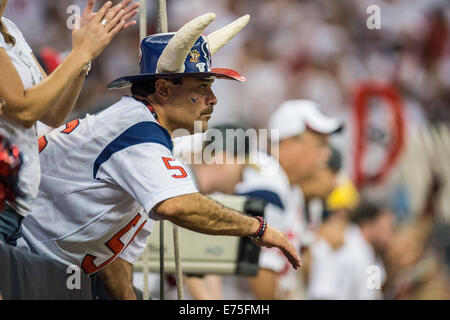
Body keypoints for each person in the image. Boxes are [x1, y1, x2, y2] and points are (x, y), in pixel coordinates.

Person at [19, 13, 300, 300]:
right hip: (18, 253)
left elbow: (113, 259)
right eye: (202, 86)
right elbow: (178, 206)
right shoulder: (138, 132)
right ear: (163, 89)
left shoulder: (145, 137)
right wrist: (258, 228)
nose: (213, 99)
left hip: (41, 262)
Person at [0, 0, 140, 245]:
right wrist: (81, 53)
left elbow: (52, 113)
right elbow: (23, 111)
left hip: (16, 204)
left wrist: (84, 59)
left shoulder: (10, 29)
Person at [183, 100, 343, 300]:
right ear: (289, 143)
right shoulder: (266, 183)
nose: (326, 153)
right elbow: (261, 270)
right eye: (319, 144)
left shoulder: (288, 186)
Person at [307, 200, 395, 300]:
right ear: (368, 224)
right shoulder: (344, 243)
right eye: (388, 225)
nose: (390, 232)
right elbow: (324, 293)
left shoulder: (370, 255)